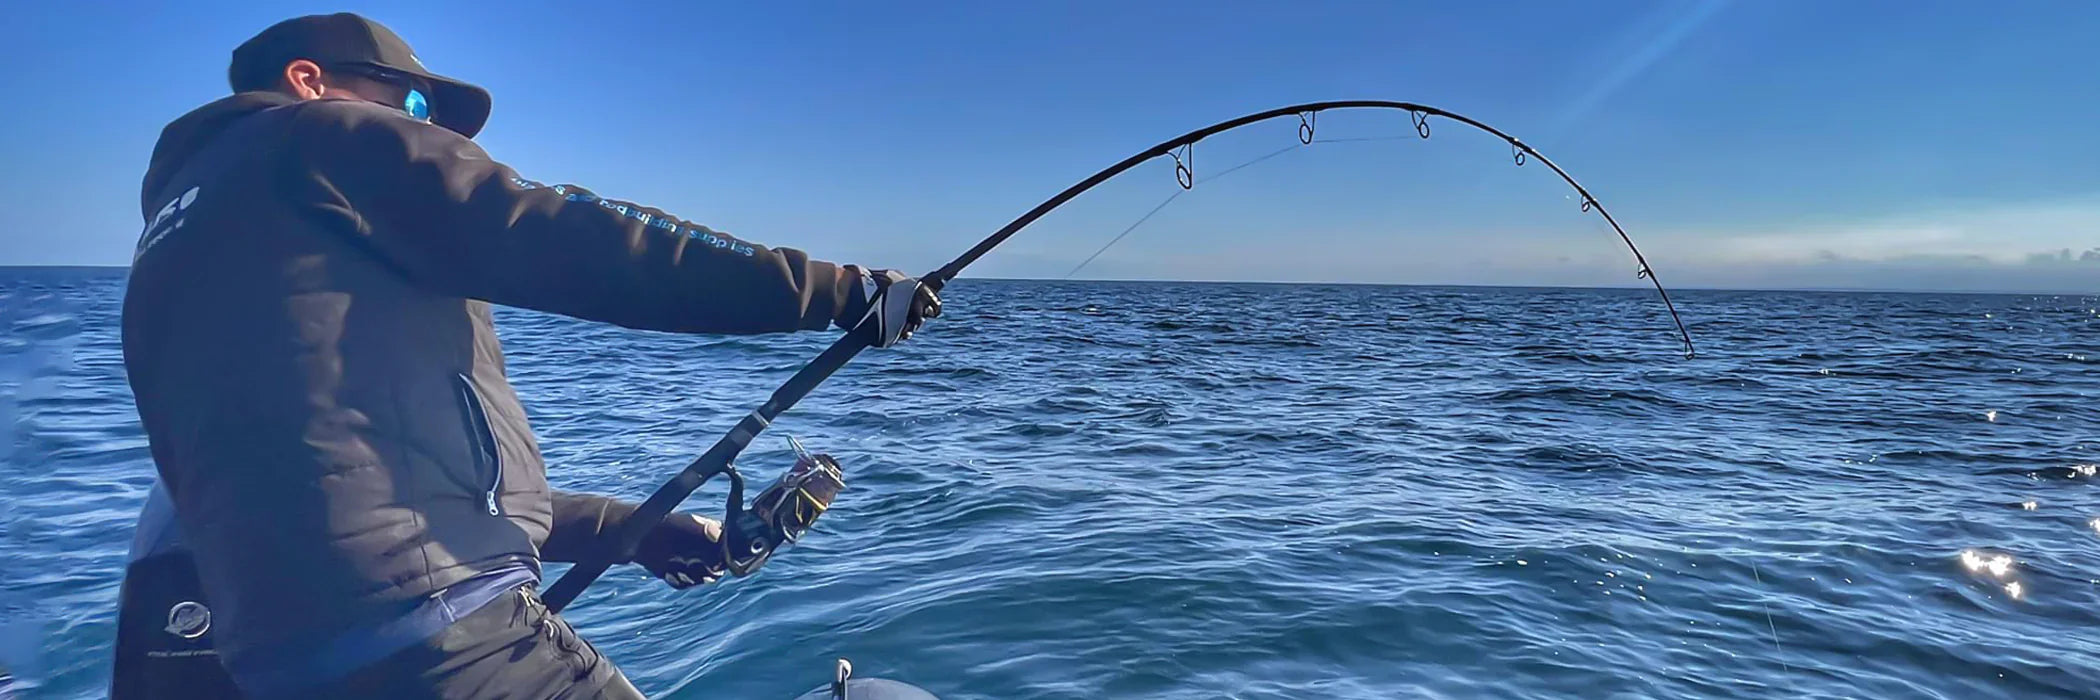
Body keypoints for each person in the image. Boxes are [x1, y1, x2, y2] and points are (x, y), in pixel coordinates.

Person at [120, 12, 940, 699]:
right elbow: (565, 231)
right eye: (408, 101)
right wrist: (837, 291)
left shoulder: (188, 242)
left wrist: (636, 531)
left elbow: (345, 481)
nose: (424, 129)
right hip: (447, 641)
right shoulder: (319, 137)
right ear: (308, 80)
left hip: (286, 662)